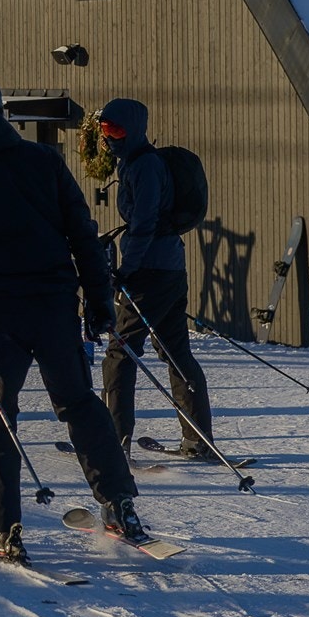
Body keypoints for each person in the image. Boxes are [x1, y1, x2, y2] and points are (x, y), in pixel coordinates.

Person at [0, 69, 147, 561]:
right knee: (80, 405)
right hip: (54, 306)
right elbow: (83, 238)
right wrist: (97, 305)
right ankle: (119, 503)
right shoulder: (43, 160)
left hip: (0, 314)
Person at [96, 97, 214, 458]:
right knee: (175, 350)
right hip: (169, 269)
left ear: (133, 130)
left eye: (115, 130)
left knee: (120, 351)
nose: (108, 138)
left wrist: (127, 269)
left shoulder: (145, 166)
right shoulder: (137, 163)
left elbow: (144, 222)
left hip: (149, 271)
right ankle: (198, 439)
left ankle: (114, 441)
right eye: (103, 131)